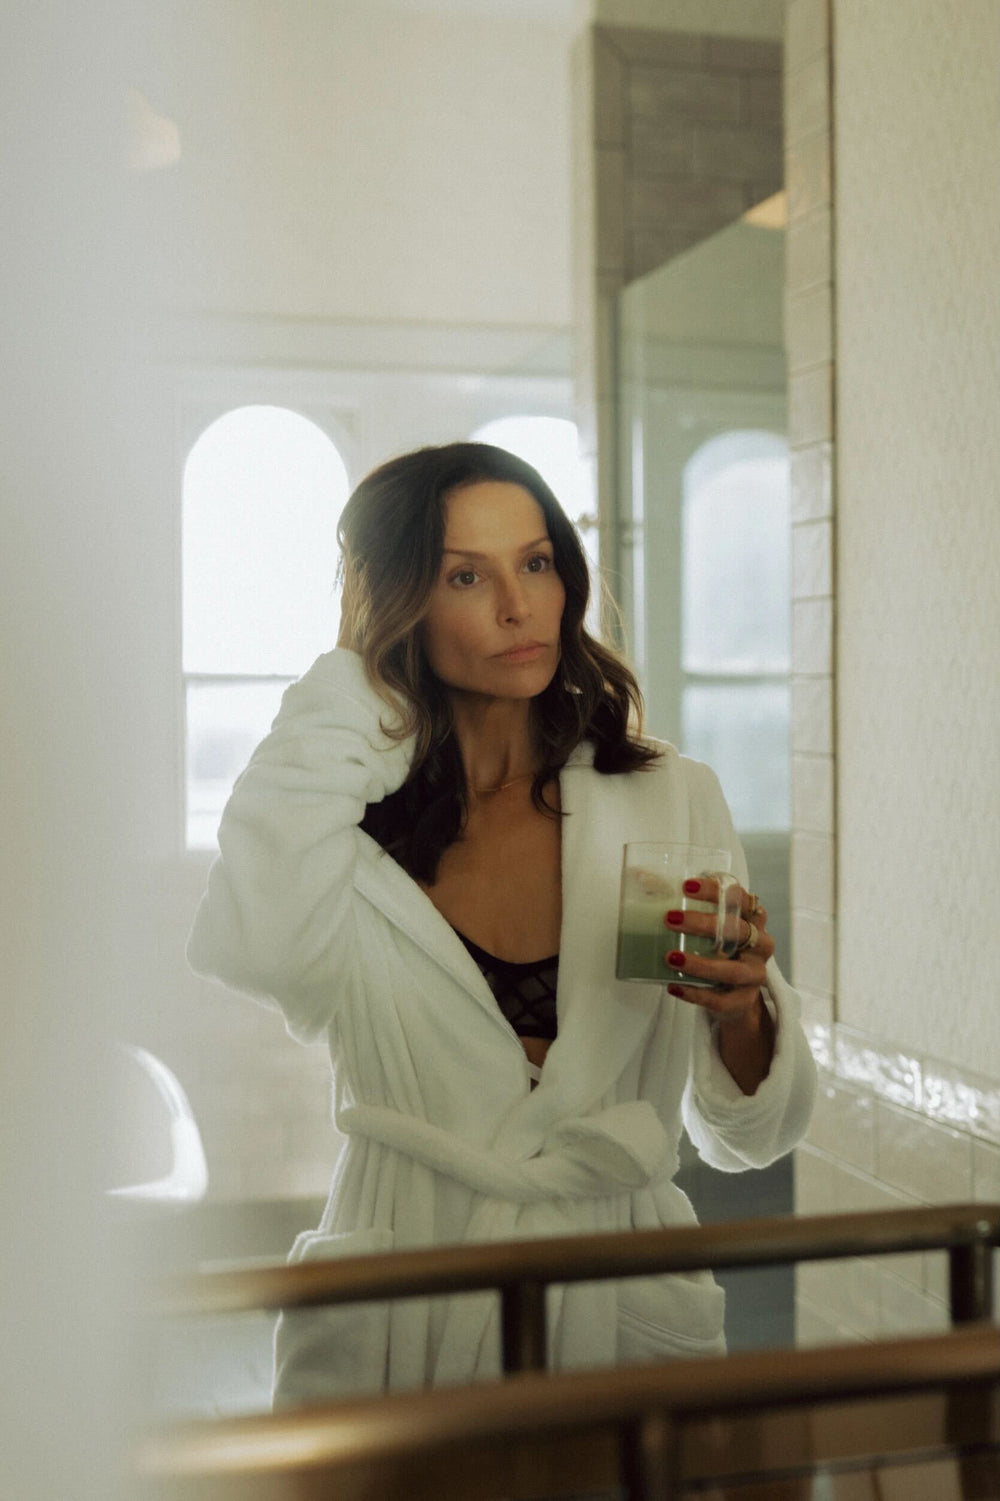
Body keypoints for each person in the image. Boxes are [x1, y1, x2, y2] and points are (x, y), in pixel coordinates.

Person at [187, 441, 817, 1403]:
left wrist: (741, 1013)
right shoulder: (347, 825)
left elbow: (749, 1134)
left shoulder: (668, 798)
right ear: (396, 601)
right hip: (406, 1289)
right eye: (465, 576)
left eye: (536, 562)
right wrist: (358, 674)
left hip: (617, 1278)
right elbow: (263, 948)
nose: (519, 607)